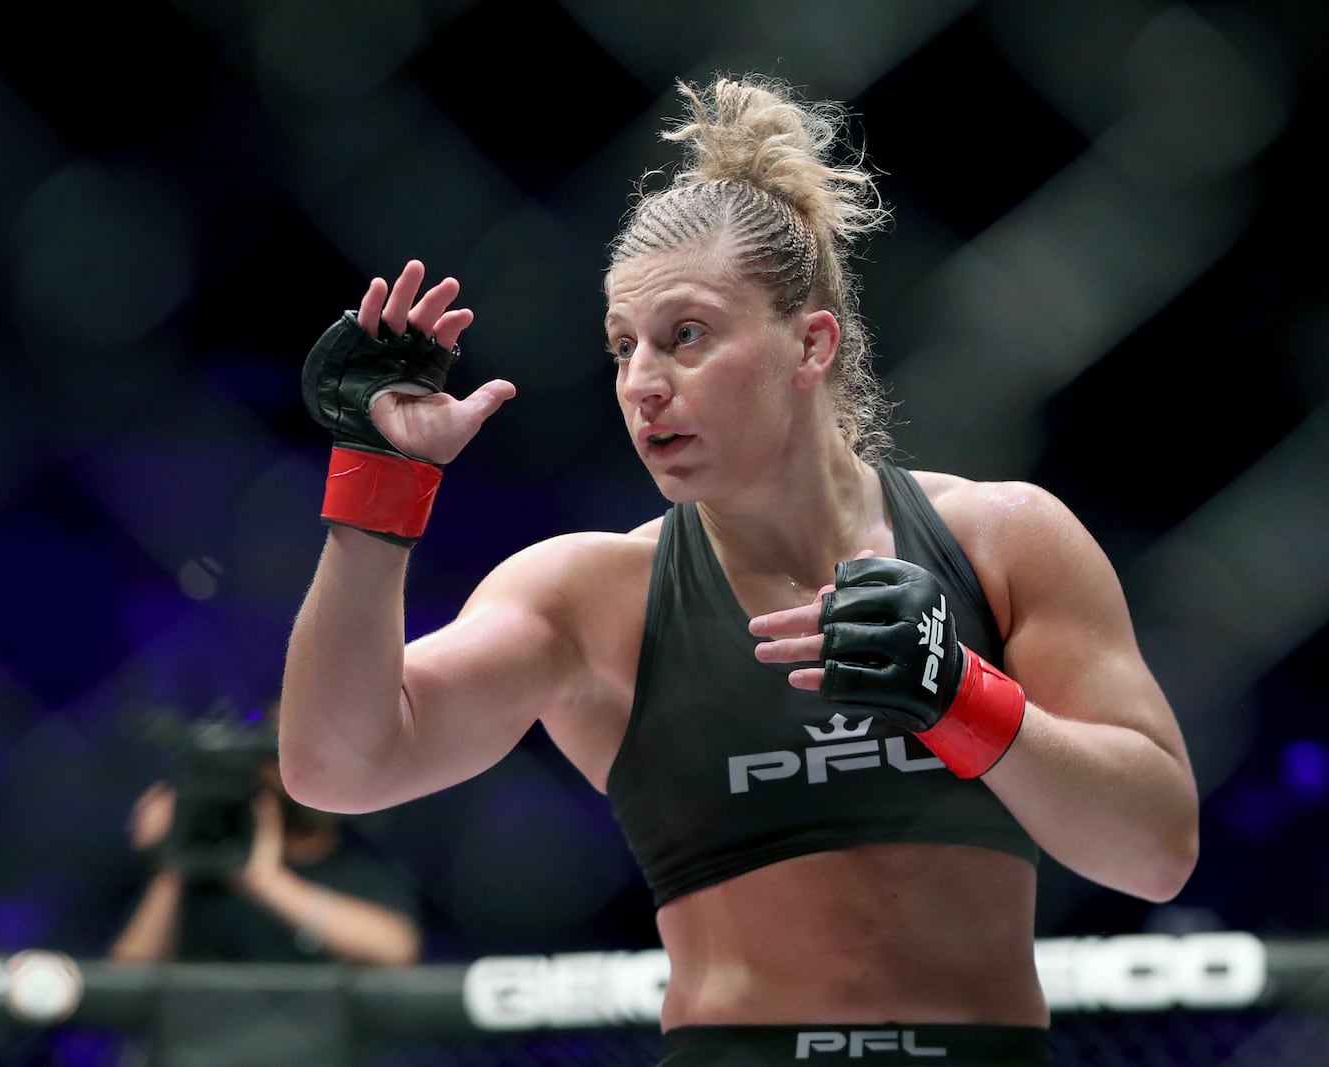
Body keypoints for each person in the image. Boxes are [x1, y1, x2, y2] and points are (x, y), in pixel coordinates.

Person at [279, 74, 1199, 1066]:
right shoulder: (592, 596)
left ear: (808, 343)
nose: (643, 382)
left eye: (685, 334)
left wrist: (963, 698)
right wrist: (378, 491)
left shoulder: (1002, 540)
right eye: (622, 346)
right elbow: (339, 765)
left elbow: (1154, 851)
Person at [108, 709, 421, 967]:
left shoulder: (361, 872)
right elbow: (127, 980)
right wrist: (176, 850)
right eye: (284, 754)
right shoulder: (201, 872)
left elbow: (397, 949)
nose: (303, 777)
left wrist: (268, 882)